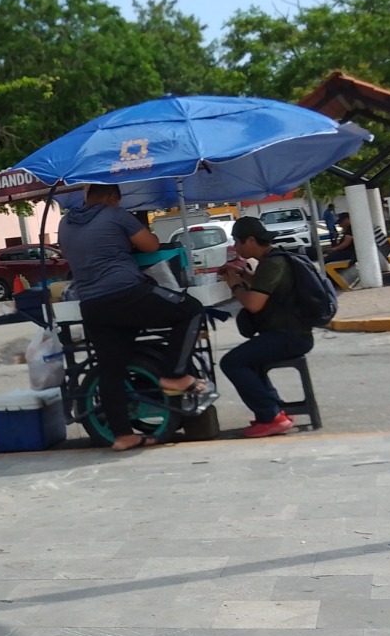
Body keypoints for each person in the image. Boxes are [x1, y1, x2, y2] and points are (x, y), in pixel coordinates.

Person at [60, 183, 208, 452]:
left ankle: (122, 435)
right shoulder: (114, 214)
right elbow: (150, 245)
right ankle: (175, 375)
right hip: (127, 293)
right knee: (191, 310)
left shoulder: (64, 224)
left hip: (92, 305)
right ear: (111, 197)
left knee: (111, 370)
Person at [220, 217, 314, 438]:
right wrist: (243, 275)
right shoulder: (272, 260)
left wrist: (235, 286)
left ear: (251, 240)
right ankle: (273, 410)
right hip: (289, 333)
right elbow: (266, 287)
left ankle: (271, 416)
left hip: (289, 336)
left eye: (238, 241)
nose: (236, 247)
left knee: (232, 362)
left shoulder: (272, 263)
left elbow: (253, 304)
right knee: (249, 360)